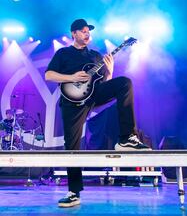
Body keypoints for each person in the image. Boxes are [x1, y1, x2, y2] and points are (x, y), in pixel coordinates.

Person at [45, 18, 150, 208]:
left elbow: (101, 85)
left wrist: (110, 71)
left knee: (124, 83)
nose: (87, 34)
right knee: (72, 146)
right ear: (74, 33)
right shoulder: (63, 53)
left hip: (92, 96)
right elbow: (49, 75)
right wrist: (71, 77)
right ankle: (74, 192)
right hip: (71, 103)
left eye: (89, 31)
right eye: (83, 31)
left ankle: (126, 138)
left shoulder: (95, 56)